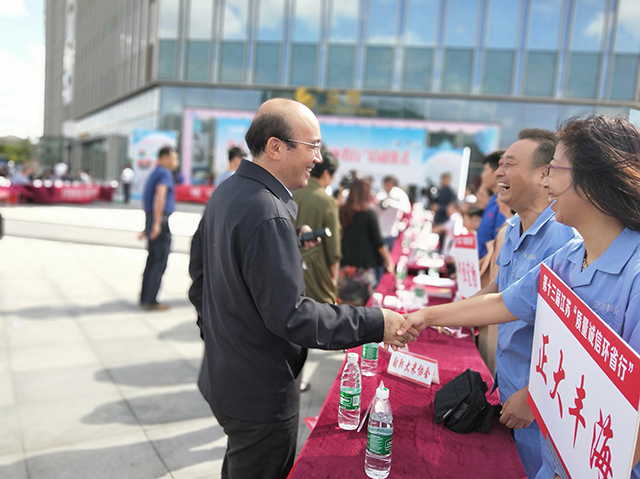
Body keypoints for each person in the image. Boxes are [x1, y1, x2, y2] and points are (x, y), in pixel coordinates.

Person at [187, 98, 417, 479]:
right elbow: (291, 316)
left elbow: (201, 276)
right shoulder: (268, 211)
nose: (318, 157)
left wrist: (220, 334)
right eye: (312, 145)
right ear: (276, 147)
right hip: (259, 389)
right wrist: (376, 323)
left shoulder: (230, 191)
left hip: (226, 374)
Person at [400, 115, 640, 479]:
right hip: (553, 457)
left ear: (592, 181)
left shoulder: (634, 277)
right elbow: (504, 301)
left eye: (554, 170)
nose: (547, 182)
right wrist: (427, 317)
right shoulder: (570, 259)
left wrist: (537, 397)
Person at [422, 129, 579, 479]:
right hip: (508, 391)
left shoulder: (567, 238)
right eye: (500, 165)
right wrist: (454, 313)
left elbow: (574, 338)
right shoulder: (511, 230)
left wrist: (535, 394)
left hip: (542, 406)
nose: (498, 174)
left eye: (509, 164)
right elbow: (500, 291)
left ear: (545, 174)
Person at [338, 176, 394, 306]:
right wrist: (389, 262)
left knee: (341, 305)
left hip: (343, 267)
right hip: (362, 271)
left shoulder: (341, 210)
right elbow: (378, 242)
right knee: (360, 309)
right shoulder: (368, 214)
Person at [139, 146, 177, 311]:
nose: (176, 161)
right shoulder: (164, 173)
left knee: (152, 260)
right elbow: (159, 196)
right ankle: (151, 300)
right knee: (159, 261)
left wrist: (147, 224)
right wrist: (156, 224)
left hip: (152, 218)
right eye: (174, 157)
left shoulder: (155, 172)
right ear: (165, 157)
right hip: (160, 221)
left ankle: (145, 297)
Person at [477, 150, 506, 259]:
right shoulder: (492, 202)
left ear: (497, 171)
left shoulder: (503, 203)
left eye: (485, 170)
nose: (482, 176)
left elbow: (497, 245)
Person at [374, 175, 411, 251]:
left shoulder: (399, 194)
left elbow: (407, 208)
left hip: (391, 231)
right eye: (386, 184)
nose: (387, 186)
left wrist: (392, 203)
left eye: (389, 184)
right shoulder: (380, 194)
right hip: (378, 230)